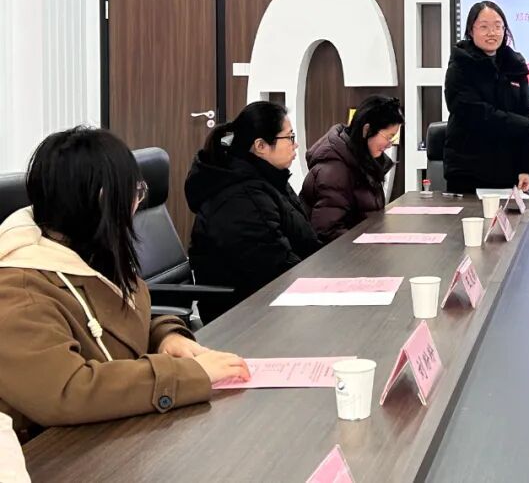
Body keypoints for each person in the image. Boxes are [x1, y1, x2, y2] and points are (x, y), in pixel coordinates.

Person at [0, 127, 249, 438]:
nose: (137, 205)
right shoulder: (18, 292)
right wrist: (186, 375)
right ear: (104, 199)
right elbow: (67, 391)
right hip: (47, 453)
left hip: (109, 434)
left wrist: (165, 336)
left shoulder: (88, 250)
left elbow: (118, 324)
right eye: (135, 192)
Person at [185, 101, 321, 322]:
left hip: (273, 301)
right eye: (290, 137)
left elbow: (302, 241)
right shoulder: (240, 199)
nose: (295, 145)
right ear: (260, 146)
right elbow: (275, 267)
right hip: (244, 317)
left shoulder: (271, 179)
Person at [444, 0, 529, 194]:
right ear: (471, 30)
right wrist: (528, 126)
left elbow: (527, 115)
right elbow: (475, 113)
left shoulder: (514, 63)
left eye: (497, 26)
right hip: (468, 170)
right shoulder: (460, 65)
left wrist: (526, 168)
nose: (492, 33)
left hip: (508, 171)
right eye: (484, 27)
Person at [302, 95, 404, 243]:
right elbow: (328, 231)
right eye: (389, 137)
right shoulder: (334, 171)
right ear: (367, 130)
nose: (389, 144)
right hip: (341, 254)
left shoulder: (364, 160)